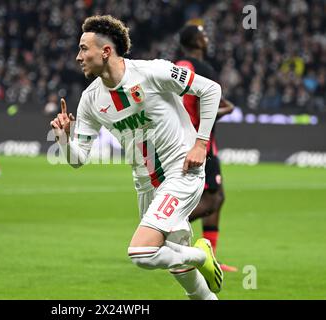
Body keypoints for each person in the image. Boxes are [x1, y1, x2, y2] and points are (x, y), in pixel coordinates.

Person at [51, 15, 223, 300]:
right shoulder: (91, 99)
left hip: (181, 170)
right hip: (146, 186)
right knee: (184, 276)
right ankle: (201, 277)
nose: (78, 56)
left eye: (84, 49)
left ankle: (200, 255)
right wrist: (63, 138)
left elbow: (211, 90)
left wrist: (201, 144)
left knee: (141, 252)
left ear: (105, 51)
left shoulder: (151, 72)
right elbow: (77, 159)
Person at [175, 24, 237, 272]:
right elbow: (203, 111)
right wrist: (227, 109)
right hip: (201, 143)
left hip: (185, 139)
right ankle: (161, 227)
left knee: (212, 198)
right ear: (197, 42)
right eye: (204, 35)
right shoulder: (203, 69)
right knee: (214, 199)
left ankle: (209, 257)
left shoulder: (178, 66)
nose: (207, 39)